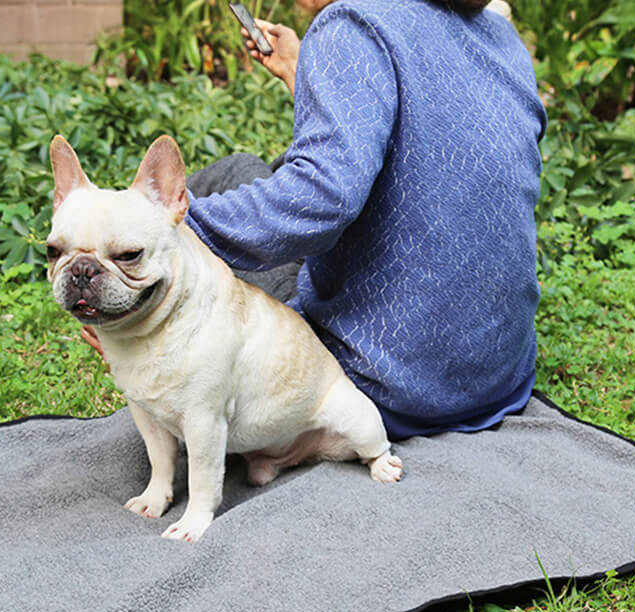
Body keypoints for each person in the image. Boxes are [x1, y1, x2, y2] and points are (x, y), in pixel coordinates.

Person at [89, 0, 547, 441]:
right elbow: (428, 156)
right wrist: (300, 70)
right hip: (496, 382)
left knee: (229, 179)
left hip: (378, 385)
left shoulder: (355, 23)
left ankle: (125, 322)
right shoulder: (500, 37)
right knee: (261, 176)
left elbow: (321, 200)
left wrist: (145, 239)